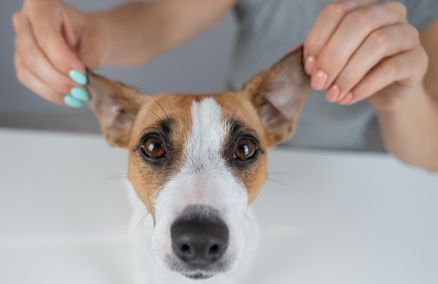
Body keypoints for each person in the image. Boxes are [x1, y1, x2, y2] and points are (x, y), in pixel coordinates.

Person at [12, 0, 438, 171]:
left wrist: (401, 96)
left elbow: (431, 154)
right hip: (225, 155)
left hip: (376, 174)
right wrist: (95, 33)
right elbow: (157, 21)